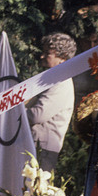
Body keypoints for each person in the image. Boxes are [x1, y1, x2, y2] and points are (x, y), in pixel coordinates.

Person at [26, 33, 77, 172]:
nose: (42, 56)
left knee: (34, 190)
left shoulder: (60, 82)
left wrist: (14, 112)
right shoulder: (53, 79)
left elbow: (38, 115)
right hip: (38, 146)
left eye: (47, 53)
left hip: (43, 149)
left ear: (63, 58)